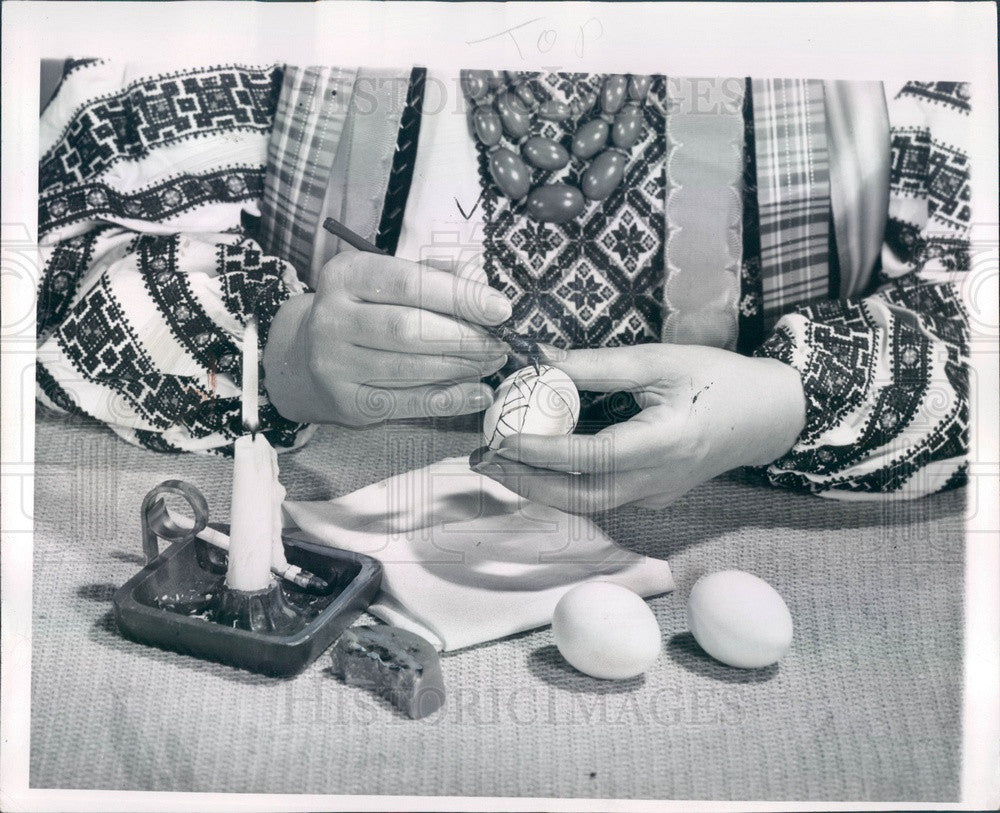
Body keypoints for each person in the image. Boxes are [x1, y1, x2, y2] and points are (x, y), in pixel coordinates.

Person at [36, 61, 970, 508]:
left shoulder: (899, 57)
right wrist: (281, 351)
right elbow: (53, 273)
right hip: (347, 525)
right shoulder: (231, 44)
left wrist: (783, 401)